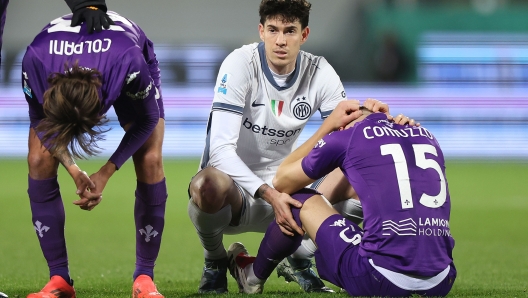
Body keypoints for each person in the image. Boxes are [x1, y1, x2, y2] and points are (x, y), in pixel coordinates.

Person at [186, 0, 414, 294]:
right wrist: (269, 193)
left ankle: (300, 257)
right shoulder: (239, 64)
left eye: (290, 31)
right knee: (206, 184)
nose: (280, 40)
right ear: (261, 31)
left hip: (289, 184)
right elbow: (219, 151)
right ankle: (215, 259)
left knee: (363, 181)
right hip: (235, 191)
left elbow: (350, 129)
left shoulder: (319, 71)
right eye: (273, 30)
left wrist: (384, 121)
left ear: (304, 35)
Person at [227, 103, 456, 296]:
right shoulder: (426, 135)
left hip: (380, 278)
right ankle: (298, 255)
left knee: (296, 198)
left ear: (344, 123)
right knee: (363, 188)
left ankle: (252, 276)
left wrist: (326, 128)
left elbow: (282, 181)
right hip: (442, 279)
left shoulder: (348, 136)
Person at [22, 10, 166, 298]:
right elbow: (40, 122)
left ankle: (145, 277)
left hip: (122, 57)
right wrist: (75, 169)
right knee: (38, 158)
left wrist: (106, 171)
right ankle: (58, 278)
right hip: (69, 55)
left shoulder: (129, 63)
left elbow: (147, 120)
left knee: (150, 159)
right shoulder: (34, 62)